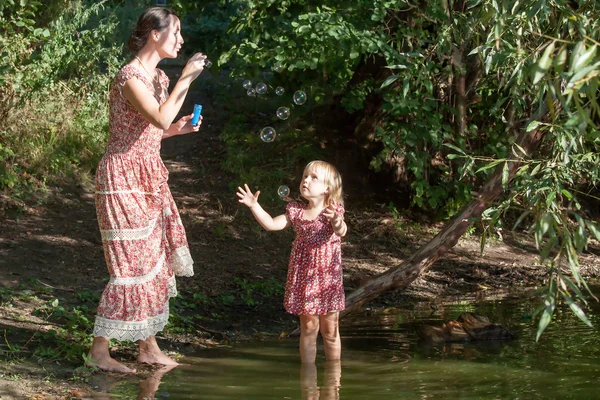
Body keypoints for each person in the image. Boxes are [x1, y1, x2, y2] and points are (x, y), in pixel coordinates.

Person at [88, 6, 206, 373]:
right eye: (177, 32)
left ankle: (148, 348)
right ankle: (99, 352)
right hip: (121, 178)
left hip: (149, 175)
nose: (182, 40)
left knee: (154, 263)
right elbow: (157, 116)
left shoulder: (157, 78)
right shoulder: (130, 77)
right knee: (128, 266)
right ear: (156, 34)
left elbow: (157, 128)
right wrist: (186, 79)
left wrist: (177, 130)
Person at [236, 161, 348, 363]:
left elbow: (342, 231)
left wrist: (336, 221)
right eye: (305, 176)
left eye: (314, 177)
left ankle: (333, 381)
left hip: (328, 280)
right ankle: (308, 382)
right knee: (309, 329)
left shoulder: (333, 212)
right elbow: (271, 224)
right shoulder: (296, 212)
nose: (306, 180)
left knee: (330, 331)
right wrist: (254, 205)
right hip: (306, 279)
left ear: (327, 188)